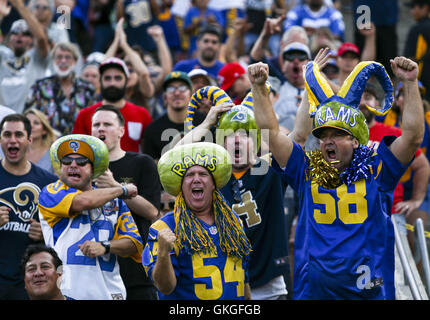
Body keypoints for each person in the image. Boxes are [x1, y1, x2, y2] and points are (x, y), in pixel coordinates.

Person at [247, 55, 424, 299]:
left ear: (354, 139)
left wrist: (411, 83)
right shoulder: (306, 169)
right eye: (323, 135)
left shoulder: (377, 169)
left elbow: (413, 137)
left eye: (337, 134)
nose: (328, 140)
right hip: (315, 292)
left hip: (368, 293)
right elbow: (271, 134)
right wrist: (258, 87)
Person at [177, 86, 304, 299]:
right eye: (229, 134)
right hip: (225, 286)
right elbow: (175, 158)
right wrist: (207, 123)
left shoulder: (271, 170)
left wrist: (310, 86)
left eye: (244, 134)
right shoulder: (210, 177)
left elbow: (299, 135)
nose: (236, 140)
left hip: (269, 286)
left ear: (255, 141)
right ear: (220, 142)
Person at [38, 134, 144, 300]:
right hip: (66, 293)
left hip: (110, 293)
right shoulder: (50, 192)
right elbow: (84, 201)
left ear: (93, 168)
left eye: (81, 161)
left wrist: (106, 246)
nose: (73, 165)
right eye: (66, 161)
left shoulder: (114, 202)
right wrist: (122, 189)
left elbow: (134, 244)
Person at [142, 141, 252, 300]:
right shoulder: (164, 227)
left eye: (203, 174)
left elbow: (243, 279)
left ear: (214, 184)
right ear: (181, 186)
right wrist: (164, 253)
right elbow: (165, 288)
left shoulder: (233, 222)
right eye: (189, 175)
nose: (196, 179)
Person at [91, 105, 161, 300]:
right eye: (96, 124)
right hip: (94, 272)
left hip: (135, 271)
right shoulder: (80, 168)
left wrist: (116, 188)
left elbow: (153, 212)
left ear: (122, 131)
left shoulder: (142, 162)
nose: (101, 129)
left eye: (107, 124)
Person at [359, 84, 430, 254]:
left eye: (368, 97)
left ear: (378, 103)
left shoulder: (392, 132)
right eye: (357, 98)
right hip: (353, 215)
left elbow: (422, 165)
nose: (362, 103)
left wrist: (416, 200)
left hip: (390, 214)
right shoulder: (342, 134)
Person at [0, 114, 57, 300]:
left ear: (30, 139)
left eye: (18, 134)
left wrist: (45, 233)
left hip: (31, 285)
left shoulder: (49, 184)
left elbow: (64, 235)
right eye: (7, 135)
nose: (13, 140)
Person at [73, 57, 153, 153]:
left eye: (118, 78)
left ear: (126, 81)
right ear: (100, 81)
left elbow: (149, 152)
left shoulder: (142, 114)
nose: (112, 83)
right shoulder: (84, 115)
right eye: (107, 78)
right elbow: (77, 152)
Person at [24, 42, 96, 136]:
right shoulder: (40, 86)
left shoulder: (87, 88)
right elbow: (28, 116)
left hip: (80, 144)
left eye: (67, 57)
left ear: (75, 61)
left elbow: (95, 119)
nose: (63, 61)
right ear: (53, 60)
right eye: (59, 57)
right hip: (48, 144)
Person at [0, 0, 50, 113]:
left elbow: (41, 38)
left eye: (25, 34)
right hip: (2, 119)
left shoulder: (37, 57)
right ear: (9, 37)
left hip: (29, 119)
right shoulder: (2, 54)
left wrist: (19, 6)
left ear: (31, 39)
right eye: (15, 33)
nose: (19, 37)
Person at [143, 71, 206, 161]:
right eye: (171, 89)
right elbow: (151, 169)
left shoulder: (205, 122)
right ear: (165, 97)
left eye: (182, 88)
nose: (176, 93)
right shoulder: (153, 130)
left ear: (191, 94)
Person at [404, 0, 430, 101]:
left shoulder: (418, 29)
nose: (411, 12)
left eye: (413, 7)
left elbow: (410, 58)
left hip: (422, 83)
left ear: (425, 7)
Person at [23, 108, 58, 174]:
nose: (31, 125)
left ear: (44, 130)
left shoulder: (54, 155)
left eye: (36, 123)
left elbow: (57, 182)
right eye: (27, 122)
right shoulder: (14, 150)